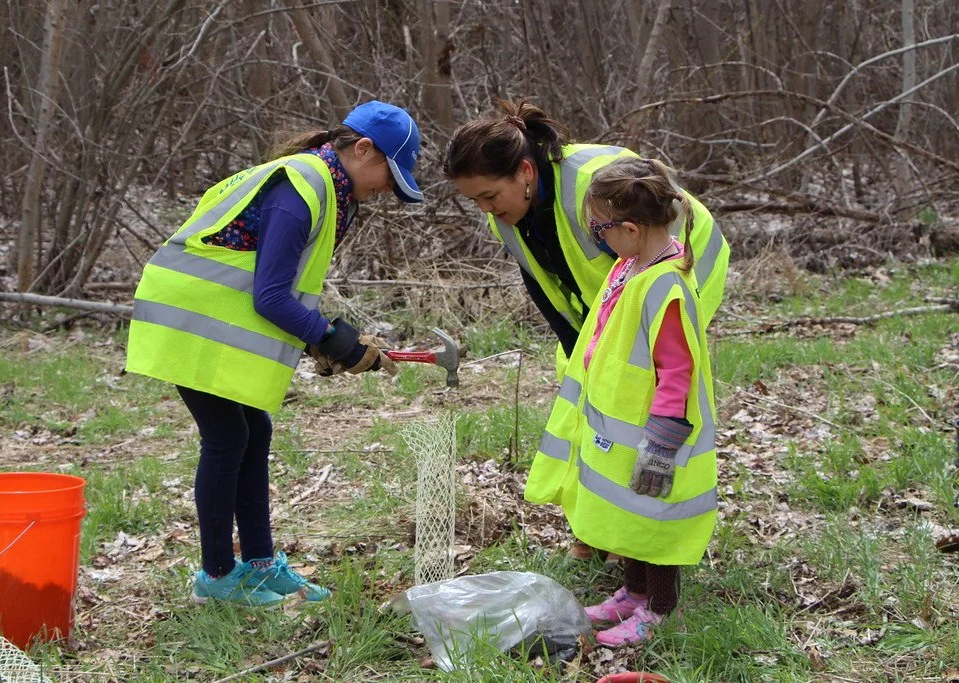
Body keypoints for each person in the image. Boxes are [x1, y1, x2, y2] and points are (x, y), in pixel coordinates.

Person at [125, 100, 423, 606]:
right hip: (190, 317)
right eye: (389, 176)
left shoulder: (324, 187)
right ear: (364, 149)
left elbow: (279, 284)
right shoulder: (302, 189)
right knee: (226, 437)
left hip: (209, 315)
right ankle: (216, 579)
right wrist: (332, 339)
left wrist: (324, 338)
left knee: (253, 429)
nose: (388, 190)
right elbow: (269, 297)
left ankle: (260, 565)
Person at [442, 99, 729, 560]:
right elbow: (546, 288)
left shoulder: (598, 186)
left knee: (638, 405)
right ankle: (595, 526)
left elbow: (663, 236)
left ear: (524, 173)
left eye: (489, 196)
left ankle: (636, 536)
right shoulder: (509, 220)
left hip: (678, 277)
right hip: (614, 298)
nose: (485, 210)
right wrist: (585, 357)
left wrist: (624, 357)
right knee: (590, 404)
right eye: (474, 200)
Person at [524, 157, 719, 646]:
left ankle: (660, 608)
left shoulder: (665, 284)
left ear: (629, 228)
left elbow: (677, 368)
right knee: (630, 516)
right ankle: (632, 595)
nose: (594, 237)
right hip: (620, 426)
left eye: (598, 229)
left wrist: (662, 439)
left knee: (657, 526)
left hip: (652, 432)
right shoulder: (630, 265)